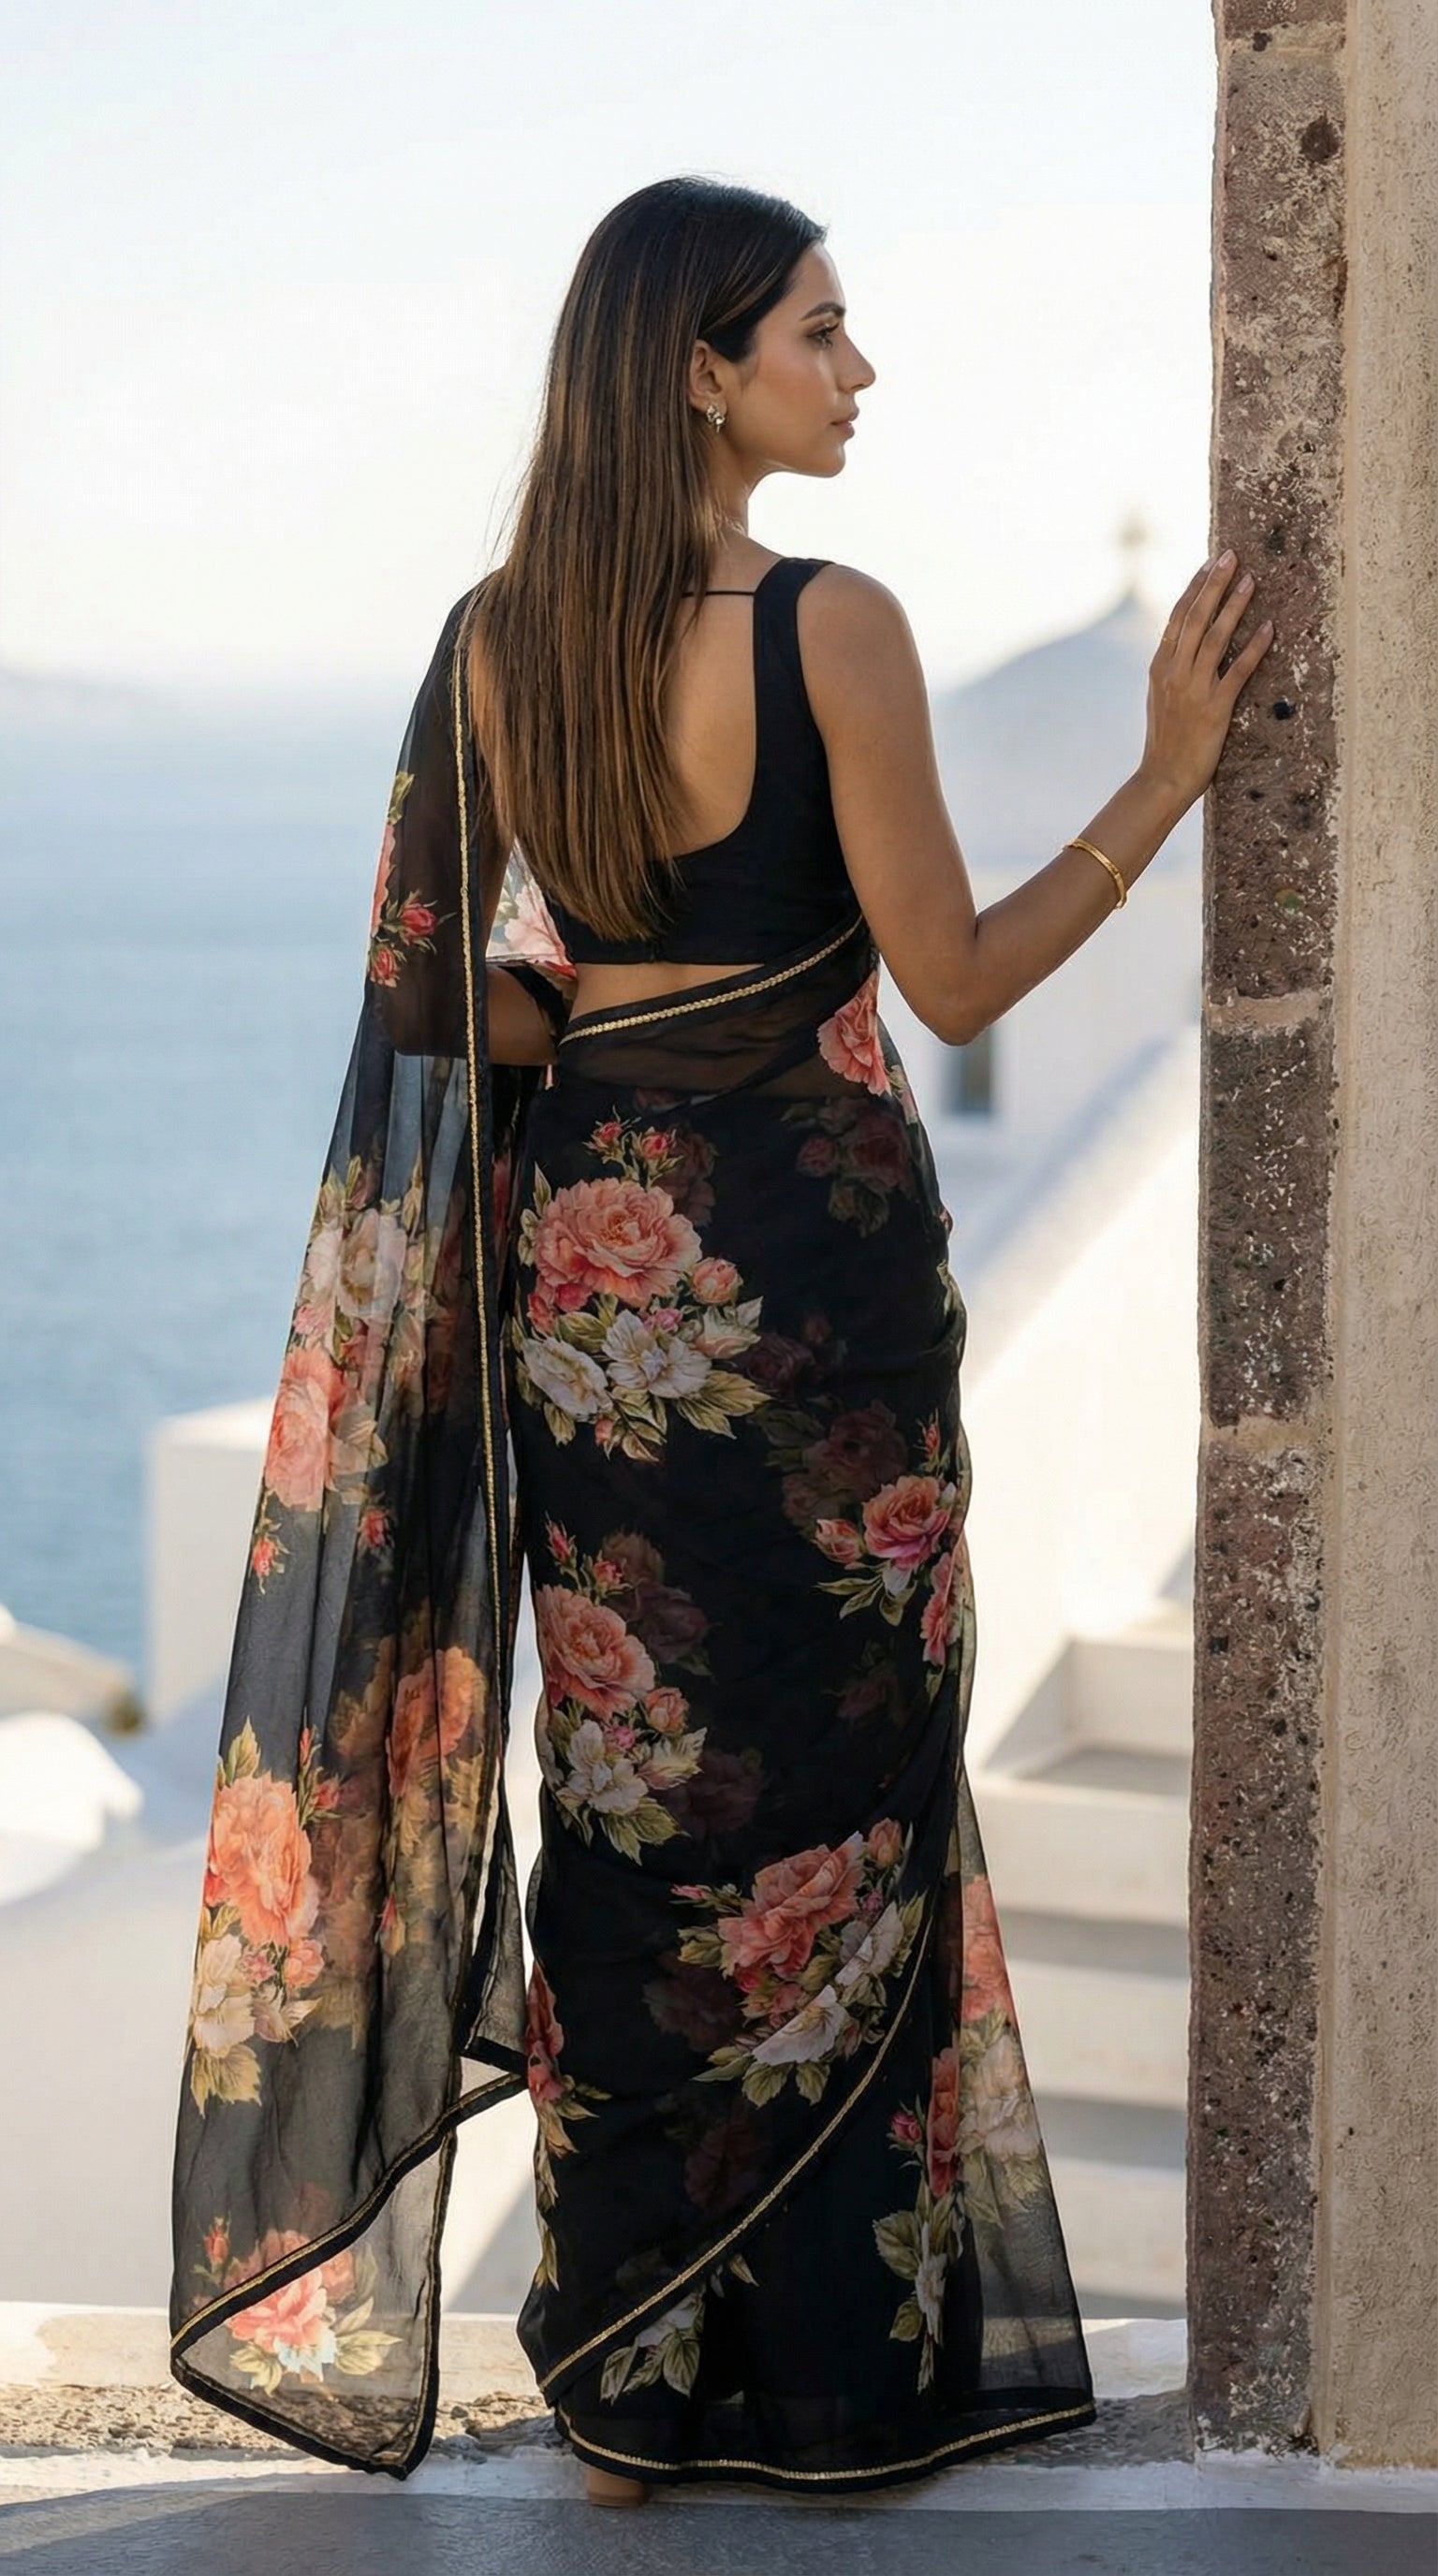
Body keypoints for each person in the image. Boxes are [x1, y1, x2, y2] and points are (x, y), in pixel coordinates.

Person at [169, 175, 1272, 2502]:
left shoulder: (496, 644)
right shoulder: (833, 626)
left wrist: (604, 1020)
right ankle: (840, 2382)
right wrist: (1166, 779)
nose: (859, 374)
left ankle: (630, 2388)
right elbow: (952, 979)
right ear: (701, 368)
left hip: (597, 1305)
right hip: (821, 1294)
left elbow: (450, 1008)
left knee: (635, 1793)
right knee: (843, 1800)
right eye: (821, 333)